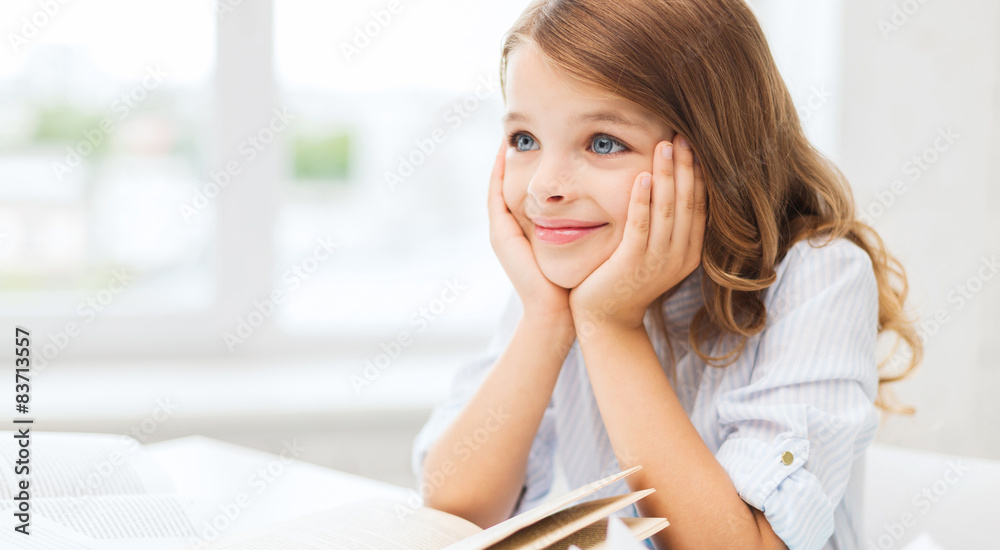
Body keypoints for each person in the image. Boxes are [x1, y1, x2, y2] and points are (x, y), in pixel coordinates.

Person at [411, 1, 922, 548]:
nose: (542, 188)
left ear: (713, 152)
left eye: (603, 142)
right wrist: (545, 318)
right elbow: (454, 508)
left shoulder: (820, 276)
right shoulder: (564, 275)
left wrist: (611, 326)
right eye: (524, 140)